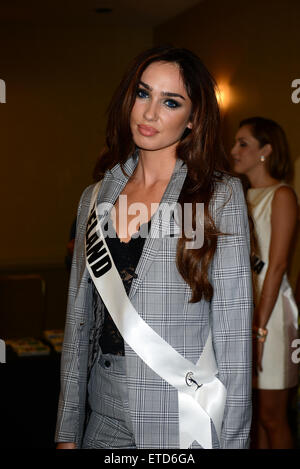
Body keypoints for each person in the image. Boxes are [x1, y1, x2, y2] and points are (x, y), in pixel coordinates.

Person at [55, 46, 253, 449]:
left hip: (180, 412)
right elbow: (79, 325)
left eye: (171, 102)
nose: (149, 113)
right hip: (103, 409)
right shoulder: (94, 198)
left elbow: (235, 342)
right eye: (144, 94)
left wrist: (233, 442)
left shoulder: (220, 198)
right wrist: (66, 429)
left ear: (193, 120)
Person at [231, 117, 299, 449]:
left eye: (243, 143)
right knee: (253, 415)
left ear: (266, 150)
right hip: (246, 313)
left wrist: (258, 327)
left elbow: (277, 266)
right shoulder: (237, 197)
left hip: (271, 317)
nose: (233, 150)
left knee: (273, 416)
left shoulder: (281, 194)